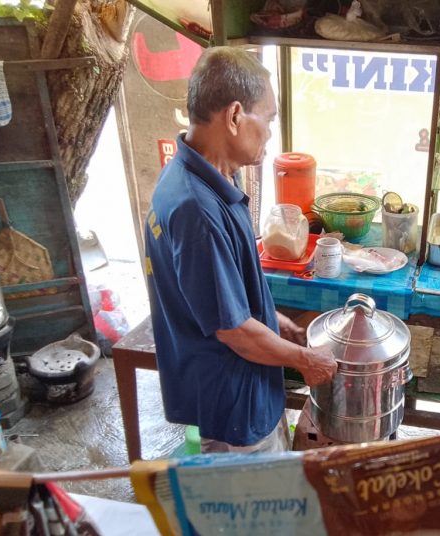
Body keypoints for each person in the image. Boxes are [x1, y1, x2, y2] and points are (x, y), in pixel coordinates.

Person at [144, 47, 337, 454]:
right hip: (231, 404)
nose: (269, 132)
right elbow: (233, 331)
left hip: (225, 387)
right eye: (267, 119)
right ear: (234, 116)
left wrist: (272, 318)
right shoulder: (197, 209)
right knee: (254, 510)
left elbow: (216, 292)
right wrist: (305, 359)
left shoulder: (191, 178)